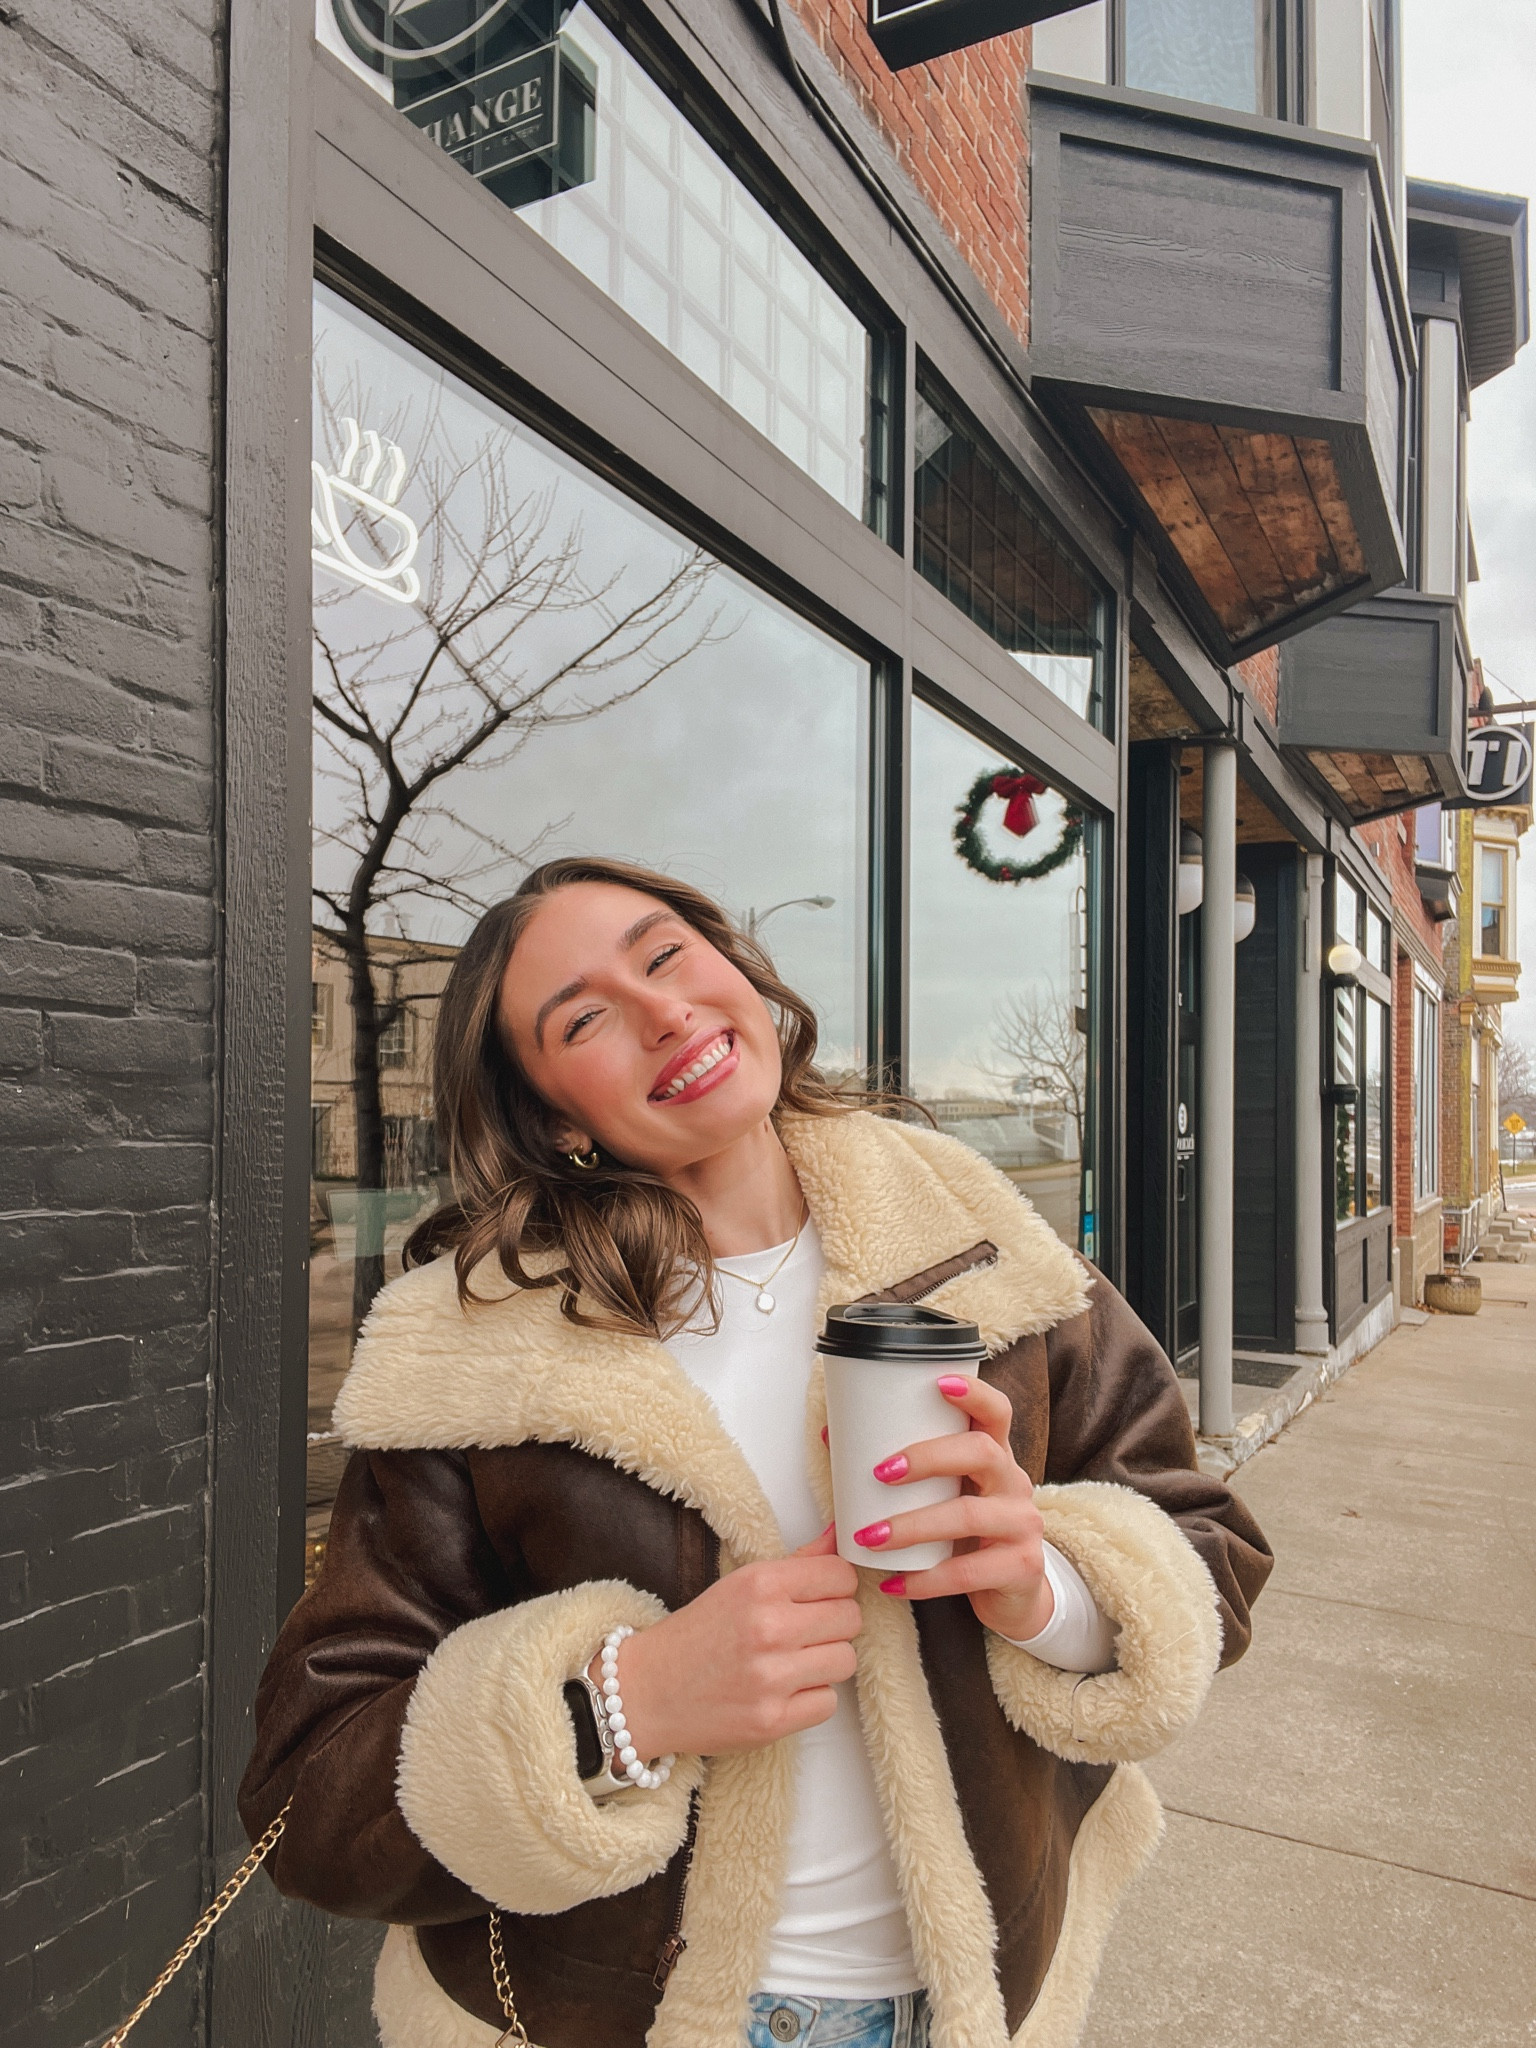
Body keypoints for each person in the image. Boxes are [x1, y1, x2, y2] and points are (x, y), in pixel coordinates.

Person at [240, 856, 1271, 2048]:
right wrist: (629, 1700)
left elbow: (1212, 1551)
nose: (664, 1011)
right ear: (555, 1113)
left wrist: (1047, 1588)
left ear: (735, 968)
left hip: (973, 2002)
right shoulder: (470, 1348)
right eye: (585, 1017)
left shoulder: (983, 1241)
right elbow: (309, 1794)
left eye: (667, 953)